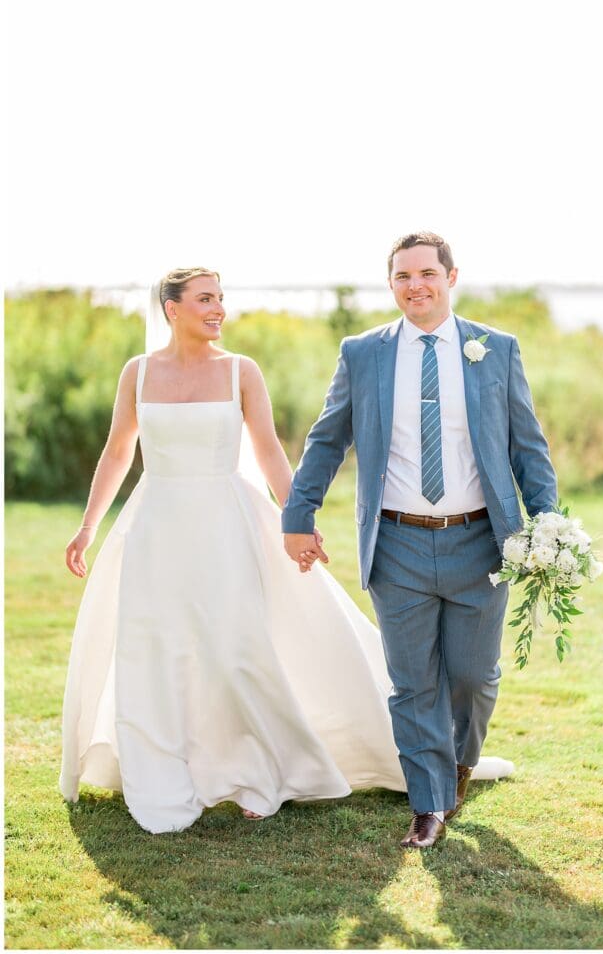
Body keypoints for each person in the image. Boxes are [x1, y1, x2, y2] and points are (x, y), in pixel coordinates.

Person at [61, 267, 411, 833]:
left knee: (237, 649)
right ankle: (165, 771)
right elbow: (118, 453)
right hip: (157, 531)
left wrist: (299, 518)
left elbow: (271, 452)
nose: (217, 308)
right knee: (159, 650)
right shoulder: (139, 373)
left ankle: (259, 771)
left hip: (226, 527)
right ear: (172, 309)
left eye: (220, 298)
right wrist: (87, 528)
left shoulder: (240, 372)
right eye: (204, 299)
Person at [283, 231, 556, 848]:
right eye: (403, 276)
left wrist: (547, 527)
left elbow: (527, 449)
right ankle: (428, 802)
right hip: (397, 544)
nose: (416, 286)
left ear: (451, 277)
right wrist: (298, 514)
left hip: (482, 544)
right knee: (412, 682)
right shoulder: (364, 353)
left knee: (473, 676)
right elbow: (328, 440)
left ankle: (459, 762)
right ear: (391, 284)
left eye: (427, 274)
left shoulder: (496, 350)